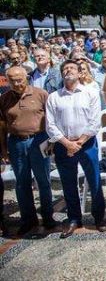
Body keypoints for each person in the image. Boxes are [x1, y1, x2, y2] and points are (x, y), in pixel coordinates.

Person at [45, 60, 106, 238]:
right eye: (65, 69)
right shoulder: (54, 97)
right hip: (63, 146)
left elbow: (95, 121)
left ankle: (99, 217)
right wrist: (67, 143)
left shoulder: (91, 93)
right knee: (69, 183)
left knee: (94, 181)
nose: (68, 71)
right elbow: (50, 125)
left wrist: (78, 143)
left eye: (71, 68)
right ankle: (73, 218)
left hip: (86, 144)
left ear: (80, 73)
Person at [0, 67, 56, 236]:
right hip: (16, 143)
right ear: (7, 82)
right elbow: (2, 126)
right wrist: (3, 149)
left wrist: (52, 141)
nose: (17, 83)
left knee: (43, 181)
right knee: (22, 183)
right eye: (12, 81)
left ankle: (48, 217)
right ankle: (28, 219)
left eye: (19, 79)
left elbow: (52, 120)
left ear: (27, 78)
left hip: (40, 140)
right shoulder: (4, 99)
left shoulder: (41, 94)